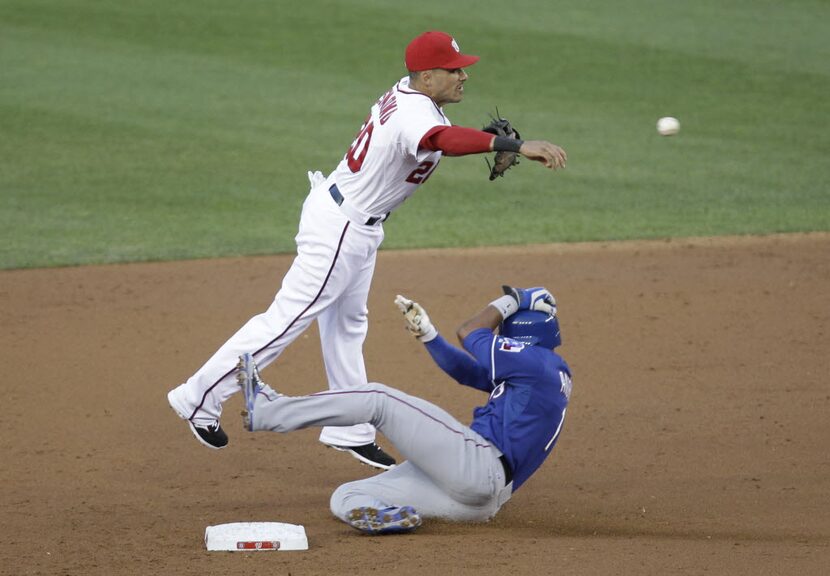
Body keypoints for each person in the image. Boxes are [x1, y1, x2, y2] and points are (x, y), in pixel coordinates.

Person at [167, 30, 567, 470]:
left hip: (352, 221)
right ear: (428, 75)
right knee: (287, 319)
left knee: (347, 326)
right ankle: (199, 396)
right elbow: (441, 142)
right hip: (341, 226)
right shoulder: (415, 114)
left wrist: (479, 141)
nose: (463, 76)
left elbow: (440, 137)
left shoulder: (414, 97)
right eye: (454, 70)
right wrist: (512, 145)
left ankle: (350, 428)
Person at [236, 286, 573, 534]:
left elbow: (470, 332)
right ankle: (388, 519)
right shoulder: (544, 372)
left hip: (478, 465)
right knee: (349, 495)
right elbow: (471, 373)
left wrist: (514, 299)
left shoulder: (534, 362)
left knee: (378, 399)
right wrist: (429, 336)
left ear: (519, 334)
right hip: (479, 502)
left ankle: (269, 410)